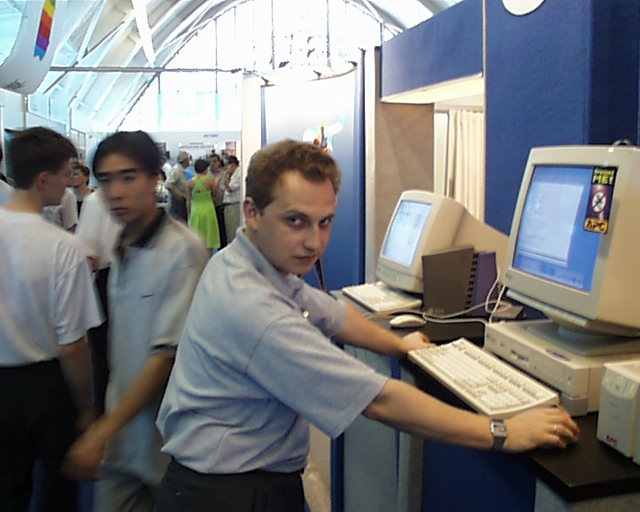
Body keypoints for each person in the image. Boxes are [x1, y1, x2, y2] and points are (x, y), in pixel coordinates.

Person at [155, 140, 579, 512]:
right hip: (229, 492)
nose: (314, 242)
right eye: (295, 221)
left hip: (225, 478)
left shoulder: (245, 261)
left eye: (325, 222)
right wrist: (502, 431)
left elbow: (330, 314)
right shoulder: (255, 310)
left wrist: (399, 346)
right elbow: (379, 402)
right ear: (252, 212)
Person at [64, 131, 208, 512]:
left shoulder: (183, 250)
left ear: (154, 178)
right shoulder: (122, 245)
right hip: (122, 438)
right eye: (106, 181)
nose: (115, 192)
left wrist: (102, 430)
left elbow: (165, 358)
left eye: (128, 178)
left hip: (167, 440)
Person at [0, 127, 102, 511]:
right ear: (43, 179)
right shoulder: (64, 247)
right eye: (65, 173)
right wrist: (87, 409)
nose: (69, 182)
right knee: (57, 494)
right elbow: (72, 345)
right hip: (47, 387)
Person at [75, 190, 123, 415]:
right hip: (128, 274)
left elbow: (88, 257)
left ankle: (105, 414)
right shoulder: (138, 195)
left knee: (104, 355)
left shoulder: (95, 201)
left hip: (107, 279)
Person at [188, 158, 220, 256]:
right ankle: (209, 259)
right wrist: (217, 182)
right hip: (208, 209)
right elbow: (215, 194)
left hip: (196, 210)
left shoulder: (190, 182)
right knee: (209, 237)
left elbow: (188, 200)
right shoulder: (210, 181)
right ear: (206, 169)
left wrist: (189, 213)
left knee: (197, 236)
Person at [165, 150, 191, 222]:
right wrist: (178, 197)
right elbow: (168, 185)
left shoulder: (182, 170)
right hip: (177, 203)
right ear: (186, 160)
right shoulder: (177, 170)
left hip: (182, 201)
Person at [208, 152, 227, 246]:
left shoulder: (224, 174)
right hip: (210, 206)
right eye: (211, 162)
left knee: (222, 229)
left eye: (215, 161)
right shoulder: (207, 175)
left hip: (221, 205)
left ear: (219, 162)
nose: (213, 164)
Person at [222, 154, 241, 242]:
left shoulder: (238, 174)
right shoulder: (232, 174)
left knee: (232, 233)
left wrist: (225, 177)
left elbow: (230, 189)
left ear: (233, 165)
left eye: (227, 165)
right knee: (229, 233)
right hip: (229, 206)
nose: (225, 168)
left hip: (233, 206)